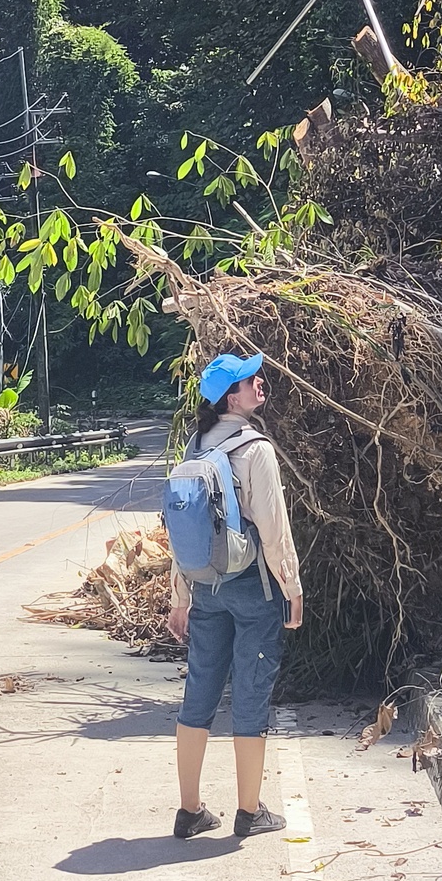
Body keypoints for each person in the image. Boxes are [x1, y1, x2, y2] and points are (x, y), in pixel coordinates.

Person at [166, 350, 304, 839]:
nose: (259, 382)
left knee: (199, 689)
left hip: (206, 586)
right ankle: (249, 812)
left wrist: (180, 596)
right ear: (232, 395)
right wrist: (292, 587)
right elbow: (273, 527)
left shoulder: (196, 447)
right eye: (250, 379)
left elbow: (182, 532)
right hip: (253, 586)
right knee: (250, 690)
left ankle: (190, 811)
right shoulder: (255, 449)